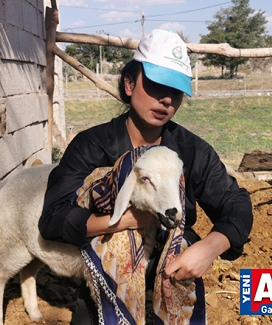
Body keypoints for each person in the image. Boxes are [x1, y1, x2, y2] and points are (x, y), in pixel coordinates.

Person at [39, 29, 253, 324]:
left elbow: (236, 203)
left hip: (172, 281)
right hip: (105, 286)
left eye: (175, 91)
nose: (166, 99)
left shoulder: (191, 152)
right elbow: (52, 219)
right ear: (129, 83)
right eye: (155, 85)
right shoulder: (92, 146)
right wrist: (123, 221)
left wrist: (211, 245)